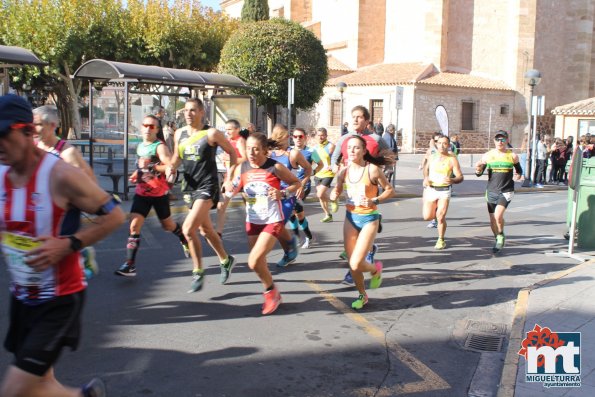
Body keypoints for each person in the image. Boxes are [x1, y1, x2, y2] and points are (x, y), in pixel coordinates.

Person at [0, 94, 125, 397]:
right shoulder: (1, 174)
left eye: (4, 134)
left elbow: (114, 216)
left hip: (58, 298)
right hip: (22, 295)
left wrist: (68, 244)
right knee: (38, 385)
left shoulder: (59, 174)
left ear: (27, 132)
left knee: (14, 390)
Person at [170, 98, 238, 291]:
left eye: (193, 111)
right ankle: (225, 260)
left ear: (202, 113)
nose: (188, 114)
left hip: (208, 186)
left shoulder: (211, 133)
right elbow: (176, 158)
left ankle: (198, 272)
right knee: (205, 231)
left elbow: (232, 153)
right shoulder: (179, 134)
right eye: (186, 111)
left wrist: (228, 178)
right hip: (189, 187)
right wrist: (170, 170)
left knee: (188, 229)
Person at [230, 132, 300, 314]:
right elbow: (233, 188)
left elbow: (296, 183)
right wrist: (228, 187)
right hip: (252, 220)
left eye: (255, 149)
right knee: (259, 263)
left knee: (253, 261)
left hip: (272, 219)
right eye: (248, 149)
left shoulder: (274, 167)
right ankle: (271, 290)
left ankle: (271, 293)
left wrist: (282, 193)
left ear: (264, 150)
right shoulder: (243, 167)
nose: (251, 153)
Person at [115, 115, 190, 277]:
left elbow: (170, 166)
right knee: (134, 226)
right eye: (145, 125)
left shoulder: (159, 147)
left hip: (158, 193)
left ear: (157, 130)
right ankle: (130, 264)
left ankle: (183, 236)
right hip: (142, 192)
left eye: (152, 126)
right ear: (141, 127)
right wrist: (137, 173)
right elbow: (142, 167)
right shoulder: (141, 146)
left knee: (168, 225)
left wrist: (151, 166)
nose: (148, 128)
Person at [33, 105, 99, 280]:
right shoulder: (33, 148)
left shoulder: (67, 152)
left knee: (60, 249)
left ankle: (82, 257)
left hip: (66, 210)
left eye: (38, 124)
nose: (33, 129)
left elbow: (90, 182)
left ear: (52, 125)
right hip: (41, 207)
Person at [330, 134, 394, 310]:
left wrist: (376, 200)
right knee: (352, 264)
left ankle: (375, 270)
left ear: (364, 151)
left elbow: (389, 190)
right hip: (351, 218)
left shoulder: (372, 170)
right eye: (349, 147)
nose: (352, 150)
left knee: (356, 263)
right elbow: (336, 191)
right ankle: (362, 295)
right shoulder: (343, 171)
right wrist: (333, 196)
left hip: (369, 219)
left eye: (356, 147)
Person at [475, 130, 523, 254]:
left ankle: (500, 234)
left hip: (506, 190)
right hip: (491, 191)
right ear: (494, 141)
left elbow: (519, 170)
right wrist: (478, 169)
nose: (500, 142)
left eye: (502, 139)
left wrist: (518, 175)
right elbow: (479, 174)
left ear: (507, 140)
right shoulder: (487, 155)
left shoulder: (512, 156)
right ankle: (498, 237)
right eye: (497, 139)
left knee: (498, 215)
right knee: (492, 219)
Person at [269, 124, 308, 266]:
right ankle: (289, 250)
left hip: (287, 195)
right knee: (274, 225)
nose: (287, 138)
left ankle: (290, 249)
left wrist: (302, 184)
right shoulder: (268, 153)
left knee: (277, 225)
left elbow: (308, 169)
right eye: (285, 135)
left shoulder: (293, 154)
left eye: (287, 135)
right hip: (271, 195)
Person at [422, 135, 464, 249]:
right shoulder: (432, 157)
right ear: (437, 144)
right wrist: (426, 178)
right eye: (439, 143)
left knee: (440, 216)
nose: (441, 145)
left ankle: (441, 239)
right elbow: (426, 169)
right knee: (427, 216)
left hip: (444, 190)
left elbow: (460, 177)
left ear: (448, 145)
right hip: (431, 189)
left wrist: (452, 180)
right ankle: (437, 212)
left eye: (444, 143)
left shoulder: (452, 159)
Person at [215, 119, 247, 237]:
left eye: (229, 129)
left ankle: (256, 228)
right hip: (229, 175)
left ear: (237, 129)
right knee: (221, 204)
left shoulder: (240, 141)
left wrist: (230, 160)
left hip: (239, 175)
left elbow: (245, 158)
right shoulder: (228, 140)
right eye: (226, 129)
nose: (227, 132)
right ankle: (218, 232)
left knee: (223, 203)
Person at [289, 127, 314, 248]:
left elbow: (320, 164)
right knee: (293, 213)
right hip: (291, 187)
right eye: (295, 136)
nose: (298, 139)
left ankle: (305, 237)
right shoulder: (289, 151)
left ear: (305, 138)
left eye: (301, 136)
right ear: (292, 138)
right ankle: (300, 237)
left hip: (303, 187)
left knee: (295, 212)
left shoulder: (310, 152)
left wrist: (311, 175)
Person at [311, 127, 337, 222]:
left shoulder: (331, 146)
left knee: (319, 194)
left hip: (328, 174)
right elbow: (314, 161)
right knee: (321, 196)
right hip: (318, 174)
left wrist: (333, 165)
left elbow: (337, 157)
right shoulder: (315, 148)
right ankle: (328, 214)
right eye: (319, 135)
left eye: (322, 135)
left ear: (326, 136)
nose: (320, 137)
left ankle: (333, 201)